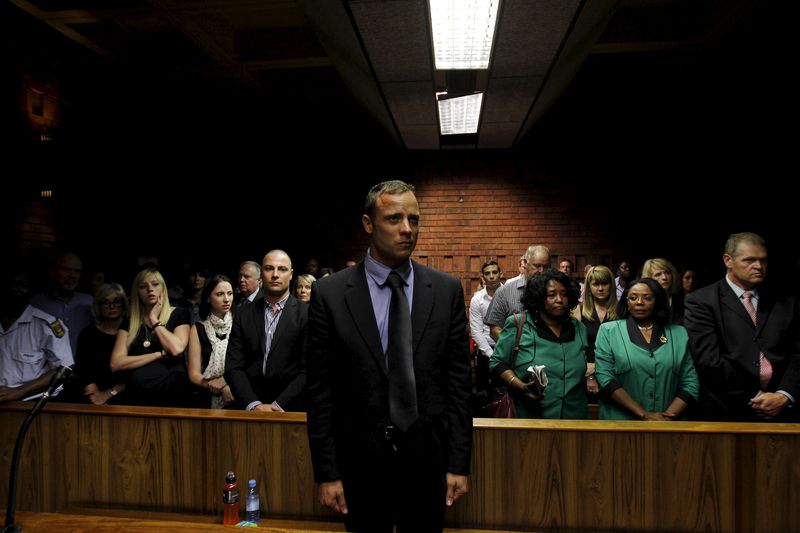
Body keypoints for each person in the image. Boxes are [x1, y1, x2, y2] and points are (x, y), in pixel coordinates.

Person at [306, 180, 472, 532]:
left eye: (414, 219)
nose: (407, 229)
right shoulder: (330, 294)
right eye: (394, 219)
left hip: (428, 463)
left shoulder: (445, 291)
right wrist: (328, 473)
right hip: (360, 465)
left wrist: (459, 463)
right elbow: (320, 392)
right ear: (368, 224)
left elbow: (459, 385)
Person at [684, 232, 800, 421]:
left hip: (784, 410)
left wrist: (785, 395)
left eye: (763, 260)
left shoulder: (787, 300)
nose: (758, 266)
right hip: (727, 410)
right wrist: (756, 397)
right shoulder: (701, 301)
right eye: (749, 260)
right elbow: (709, 361)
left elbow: (797, 353)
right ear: (728, 260)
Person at [595, 278, 699, 420]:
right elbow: (605, 378)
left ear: (658, 301)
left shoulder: (679, 334)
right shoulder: (608, 331)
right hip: (621, 423)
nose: (639, 302)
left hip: (669, 424)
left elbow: (690, 383)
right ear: (626, 301)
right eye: (633, 297)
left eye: (647, 298)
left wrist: (667, 417)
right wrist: (645, 415)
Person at [490, 270, 589, 419]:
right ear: (539, 297)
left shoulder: (579, 328)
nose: (559, 299)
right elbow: (497, 362)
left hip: (575, 418)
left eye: (564, 294)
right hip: (532, 418)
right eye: (551, 295)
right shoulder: (518, 324)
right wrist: (519, 385)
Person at [225, 249, 308, 412]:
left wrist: (279, 404)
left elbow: (310, 369)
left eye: (282, 269)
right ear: (262, 274)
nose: (275, 274)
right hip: (249, 406)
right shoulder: (244, 313)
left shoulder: (306, 314)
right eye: (269, 268)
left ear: (291, 274)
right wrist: (253, 404)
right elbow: (233, 365)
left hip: (290, 409)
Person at [110, 268, 192, 407]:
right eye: (143, 286)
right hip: (136, 398)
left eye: (155, 284)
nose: (150, 289)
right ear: (137, 292)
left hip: (172, 397)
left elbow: (176, 348)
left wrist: (154, 320)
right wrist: (157, 355)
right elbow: (116, 363)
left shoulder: (179, 314)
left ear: (163, 288)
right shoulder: (130, 322)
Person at [1, 270, 73, 402]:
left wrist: (20, 391)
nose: (14, 289)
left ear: (31, 291)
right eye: (10, 284)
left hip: (32, 405)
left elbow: (64, 369)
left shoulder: (47, 324)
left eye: (22, 285)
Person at [70, 283, 129, 404]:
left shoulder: (134, 332)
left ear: (123, 304)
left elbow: (135, 374)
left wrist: (108, 394)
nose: (111, 306)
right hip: (92, 396)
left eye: (116, 301)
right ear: (98, 306)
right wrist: (96, 395)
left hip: (126, 394)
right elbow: (83, 369)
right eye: (105, 302)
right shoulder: (88, 333)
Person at [30, 252, 94, 353]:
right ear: (52, 272)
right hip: (45, 366)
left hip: (82, 366)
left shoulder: (90, 302)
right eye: (66, 269)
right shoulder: (37, 303)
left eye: (77, 271)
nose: (72, 275)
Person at [484, 244, 551, 341]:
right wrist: (516, 346)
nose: (542, 271)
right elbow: (494, 330)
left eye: (546, 267)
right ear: (525, 264)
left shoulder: (555, 293)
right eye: (537, 266)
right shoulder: (504, 292)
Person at [187, 275, 235, 408]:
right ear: (208, 298)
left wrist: (227, 383)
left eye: (230, 294)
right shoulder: (198, 329)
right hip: (208, 397)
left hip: (239, 393)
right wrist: (219, 386)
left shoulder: (240, 323)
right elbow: (194, 374)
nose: (226, 299)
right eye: (220, 294)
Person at [576, 265, 620, 396]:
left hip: (616, 374)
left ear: (611, 285)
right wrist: (589, 376)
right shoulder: (579, 311)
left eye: (605, 283)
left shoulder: (622, 311)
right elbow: (577, 349)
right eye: (596, 284)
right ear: (589, 287)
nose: (600, 288)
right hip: (587, 377)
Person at [469, 260, 502, 393]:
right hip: (485, 352)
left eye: (494, 272)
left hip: (508, 350)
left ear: (501, 274)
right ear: (482, 276)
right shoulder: (477, 300)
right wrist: (491, 354)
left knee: (507, 392)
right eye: (487, 273)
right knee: (484, 393)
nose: (491, 276)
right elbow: (476, 331)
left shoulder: (509, 294)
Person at [641, 257, 684, 324]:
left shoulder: (682, 299)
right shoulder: (643, 302)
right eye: (658, 274)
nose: (664, 277)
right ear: (649, 278)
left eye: (667, 273)